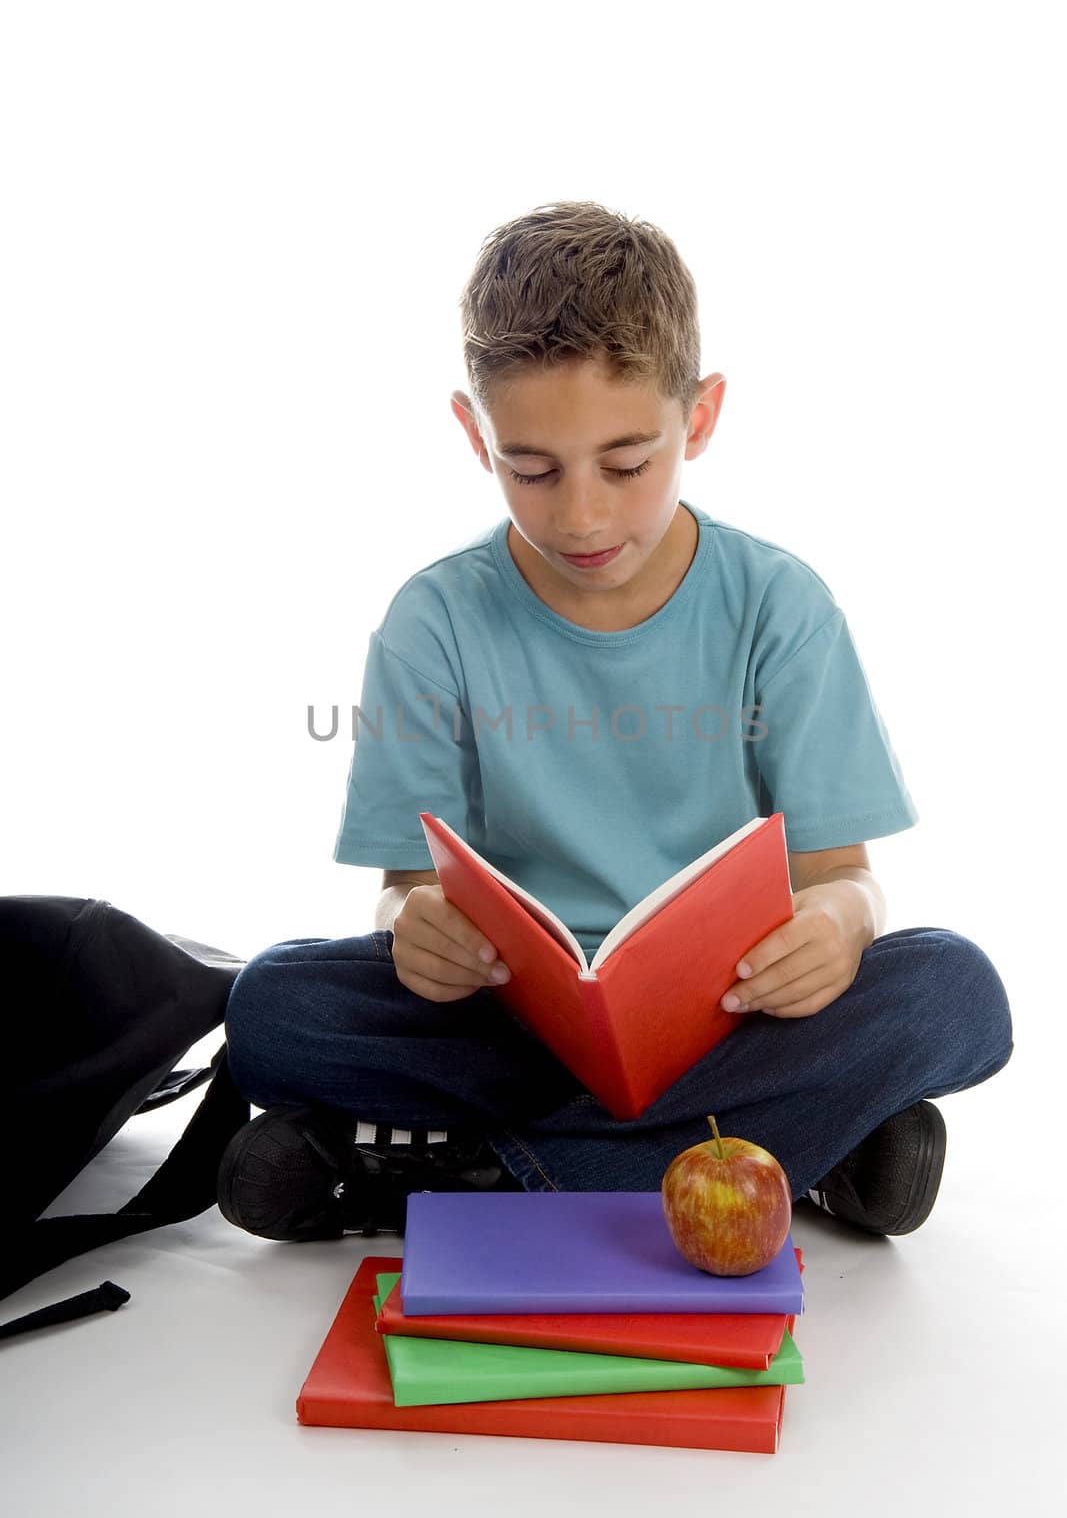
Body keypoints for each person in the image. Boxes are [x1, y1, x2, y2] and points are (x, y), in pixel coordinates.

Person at [218, 200, 1013, 1244]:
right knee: (274, 1001)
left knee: (950, 989)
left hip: (732, 1022)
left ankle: (459, 1178)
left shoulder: (778, 605)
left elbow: (840, 877)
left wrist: (835, 926)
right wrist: (412, 932)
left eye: (626, 464)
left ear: (701, 416)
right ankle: (787, 1147)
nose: (580, 517)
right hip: (511, 1021)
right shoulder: (435, 619)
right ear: (474, 434)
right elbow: (405, 893)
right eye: (531, 469)